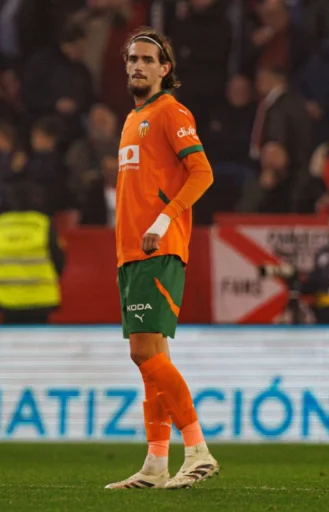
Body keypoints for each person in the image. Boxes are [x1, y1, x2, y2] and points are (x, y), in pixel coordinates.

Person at [105, 27, 216, 491]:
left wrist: (164, 220)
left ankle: (197, 450)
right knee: (150, 358)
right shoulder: (133, 119)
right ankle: (155, 462)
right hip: (131, 254)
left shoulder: (171, 111)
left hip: (158, 248)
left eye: (148, 60)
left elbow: (202, 173)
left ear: (165, 69)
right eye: (132, 59)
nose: (137, 66)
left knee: (143, 352)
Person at [0, 186, 65, 324]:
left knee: (9, 342)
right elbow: (59, 259)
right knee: (40, 344)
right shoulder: (43, 224)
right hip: (40, 299)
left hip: (6, 299)